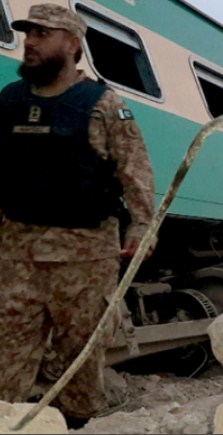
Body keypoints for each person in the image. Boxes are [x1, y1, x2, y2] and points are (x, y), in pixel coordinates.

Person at [0, 4, 155, 426]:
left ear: (72, 44)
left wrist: (143, 225)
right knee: (5, 361)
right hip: (17, 258)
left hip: (85, 261)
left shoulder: (104, 105)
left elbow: (134, 170)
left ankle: (80, 425)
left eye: (42, 34)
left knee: (80, 365)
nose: (29, 42)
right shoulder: (9, 101)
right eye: (27, 33)